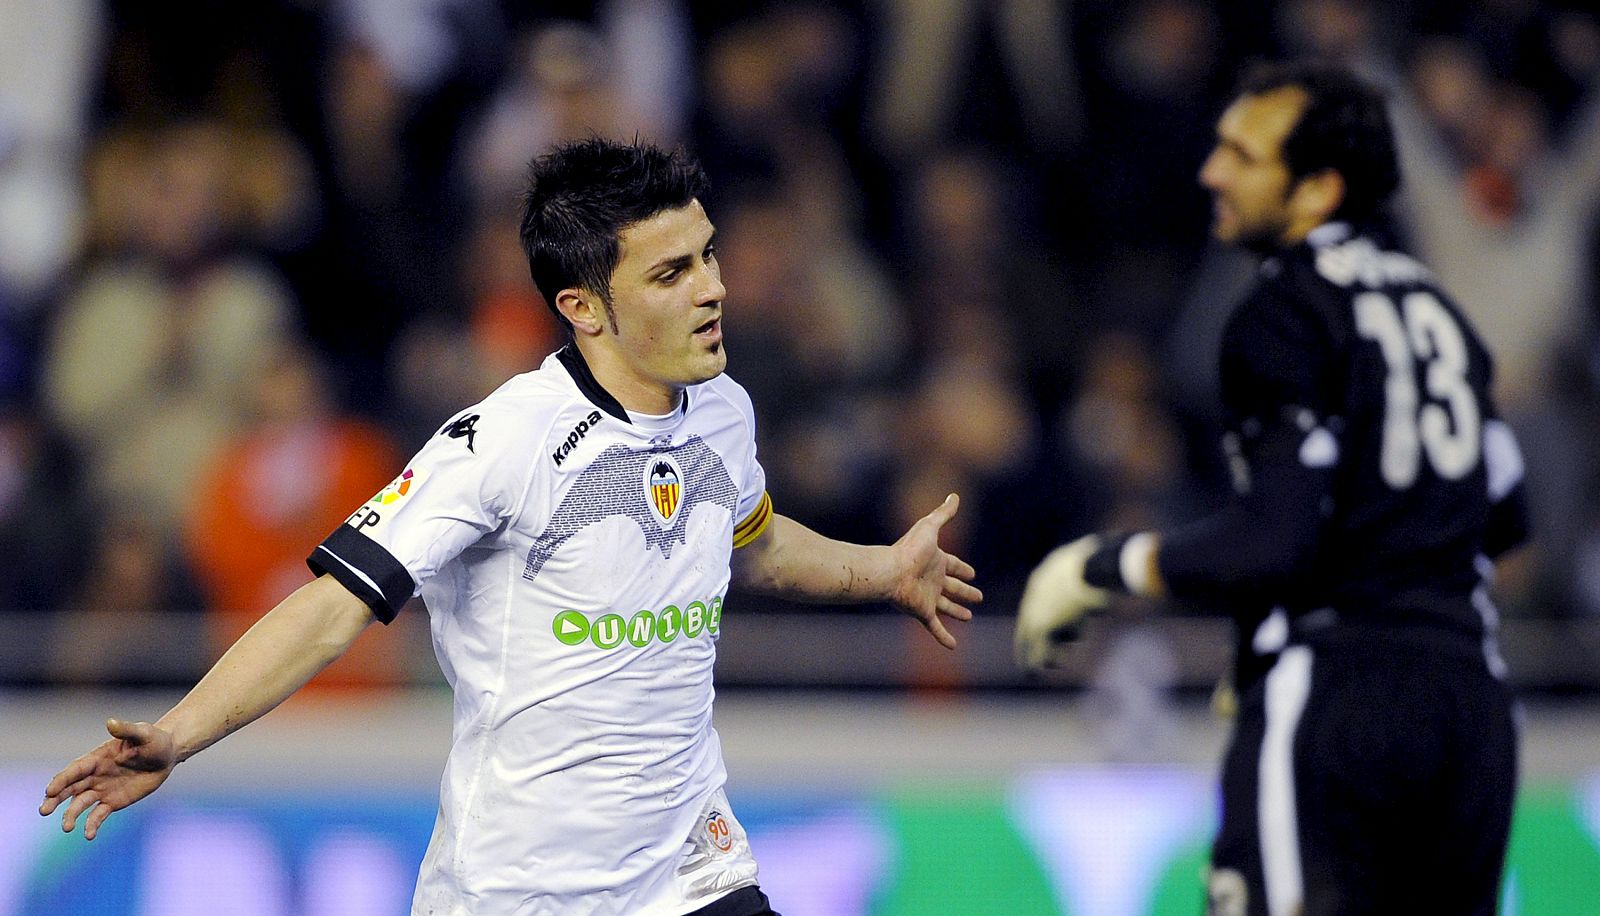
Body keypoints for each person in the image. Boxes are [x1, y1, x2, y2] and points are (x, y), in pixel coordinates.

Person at [40, 138, 982, 916]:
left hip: (692, 876)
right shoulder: (502, 443)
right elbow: (330, 608)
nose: (712, 289)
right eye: (671, 272)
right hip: (522, 893)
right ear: (583, 307)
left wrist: (882, 573)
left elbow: (752, 541)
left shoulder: (722, 408)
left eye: (708, 255)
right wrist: (178, 733)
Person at [1015, 62, 1528, 915]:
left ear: (1319, 187)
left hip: (1339, 700)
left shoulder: (1283, 310)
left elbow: (1271, 541)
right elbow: (1506, 518)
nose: (1211, 172)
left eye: (1241, 155)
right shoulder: (1441, 314)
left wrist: (1102, 568)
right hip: (1471, 703)